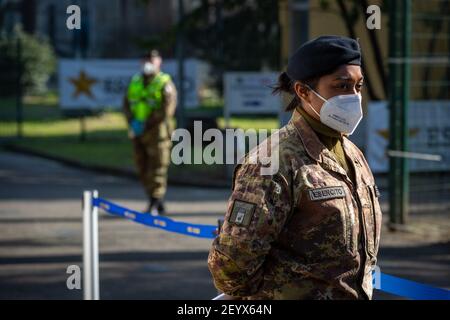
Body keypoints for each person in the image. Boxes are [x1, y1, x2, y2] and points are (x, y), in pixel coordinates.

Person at [208, 35, 382, 300]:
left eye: (358, 86)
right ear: (303, 91)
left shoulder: (351, 153)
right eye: (342, 85)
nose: (354, 97)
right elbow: (232, 269)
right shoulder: (272, 162)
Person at [123, 50, 177, 215]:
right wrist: (132, 121)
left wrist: (147, 123)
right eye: (146, 59)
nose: (148, 62)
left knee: (158, 166)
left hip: (157, 132)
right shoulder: (136, 81)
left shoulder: (164, 82)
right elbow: (126, 104)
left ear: (159, 62)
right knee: (142, 167)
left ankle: (155, 200)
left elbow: (167, 110)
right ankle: (155, 200)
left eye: (152, 59)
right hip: (138, 132)